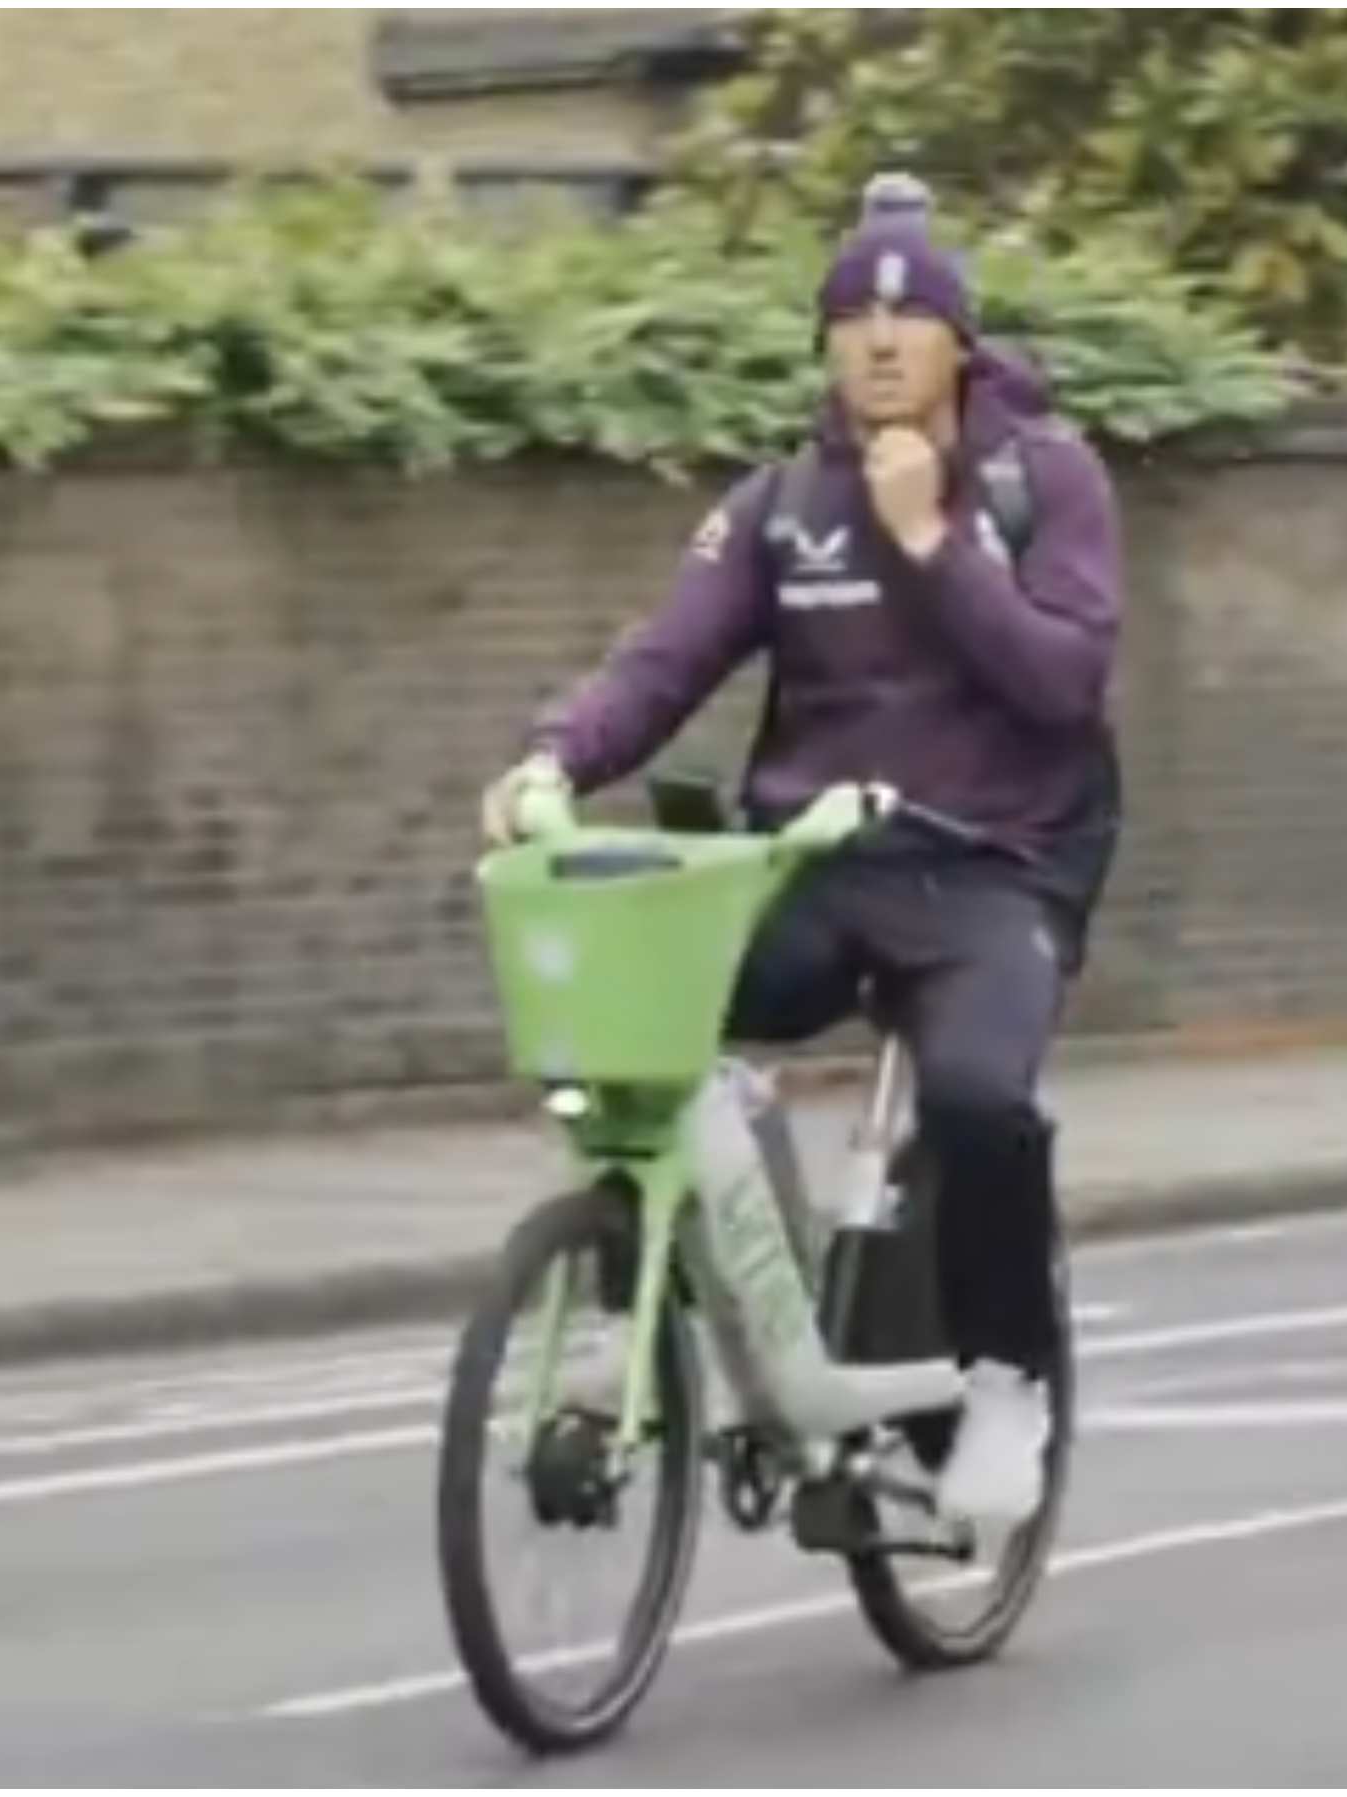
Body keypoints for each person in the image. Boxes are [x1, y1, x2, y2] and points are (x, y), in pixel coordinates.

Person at [478, 176, 1124, 1534]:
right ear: (827, 345)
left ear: (958, 342)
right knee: (637, 1033)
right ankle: (649, 1303)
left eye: (907, 320)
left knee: (975, 1099)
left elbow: (1062, 682)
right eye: (849, 320)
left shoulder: (1041, 478)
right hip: (817, 858)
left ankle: (1007, 1379)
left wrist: (931, 542)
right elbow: (666, 655)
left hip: (993, 859)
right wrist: (555, 759)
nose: (878, 343)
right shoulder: (780, 502)